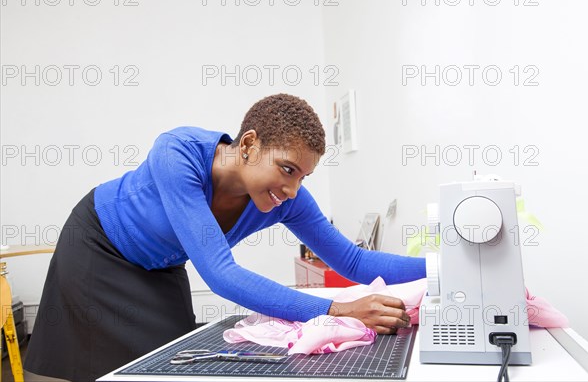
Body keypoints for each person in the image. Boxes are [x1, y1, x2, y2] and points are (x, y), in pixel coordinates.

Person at [24, 94, 426, 381]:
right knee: (88, 365)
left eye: (304, 177)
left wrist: (446, 267)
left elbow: (352, 262)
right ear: (249, 144)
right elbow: (220, 273)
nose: (292, 189)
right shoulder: (177, 152)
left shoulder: (287, 199)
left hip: (161, 266)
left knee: (174, 364)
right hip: (98, 246)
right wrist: (339, 310)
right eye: (287, 170)